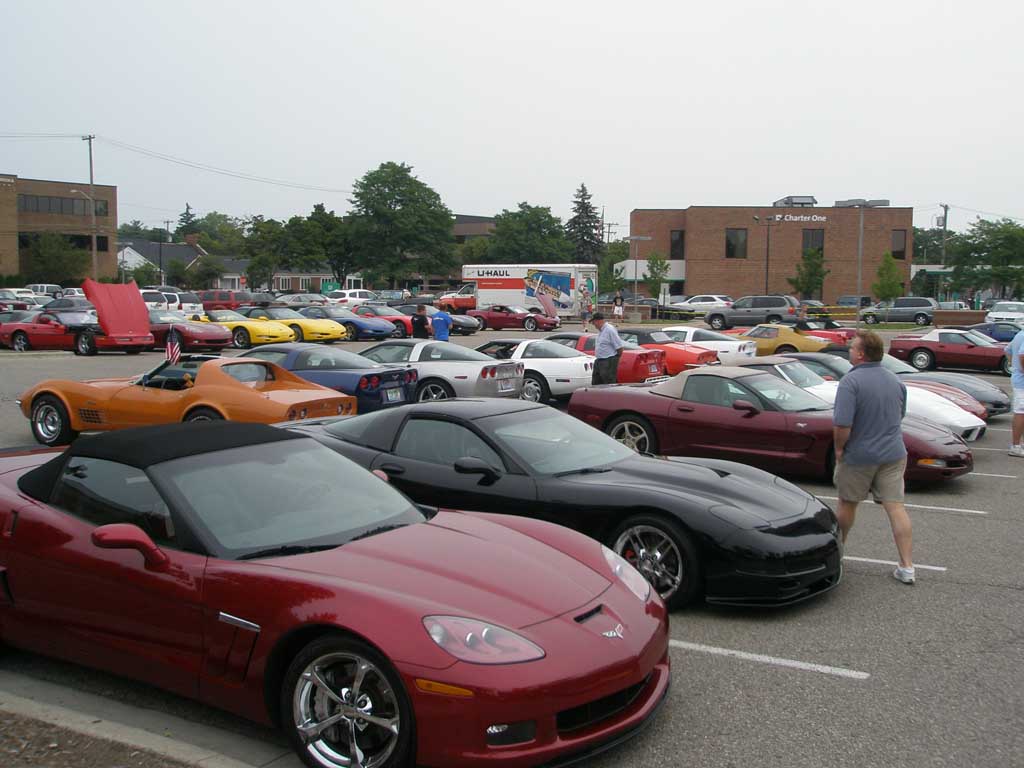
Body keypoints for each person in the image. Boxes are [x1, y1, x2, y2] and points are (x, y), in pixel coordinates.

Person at [833, 330, 915, 584]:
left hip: (859, 456)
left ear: (860, 354)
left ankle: (836, 556)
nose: (849, 350)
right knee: (896, 507)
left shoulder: (850, 382)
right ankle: (907, 566)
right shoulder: (895, 380)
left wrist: (838, 450)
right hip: (893, 453)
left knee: (847, 504)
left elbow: (842, 425)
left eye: (852, 347)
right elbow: (899, 415)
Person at [591, 312, 624, 385]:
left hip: (608, 360)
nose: (593, 324)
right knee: (596, 383)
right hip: (599, 360)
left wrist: (614, 359)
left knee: (608, 383)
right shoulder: (601, 331)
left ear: (598, 321)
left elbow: (619, 347)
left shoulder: (610, 330)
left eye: (593, 322)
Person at [1007, 325, 1024, 457]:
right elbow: (1022, 356)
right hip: (1022, 382)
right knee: (1021, 413)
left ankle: (1019, 444)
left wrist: (1013, 366)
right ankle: (1016, 446)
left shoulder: (1020, 334)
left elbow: (1007, 350)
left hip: (1018, 378)